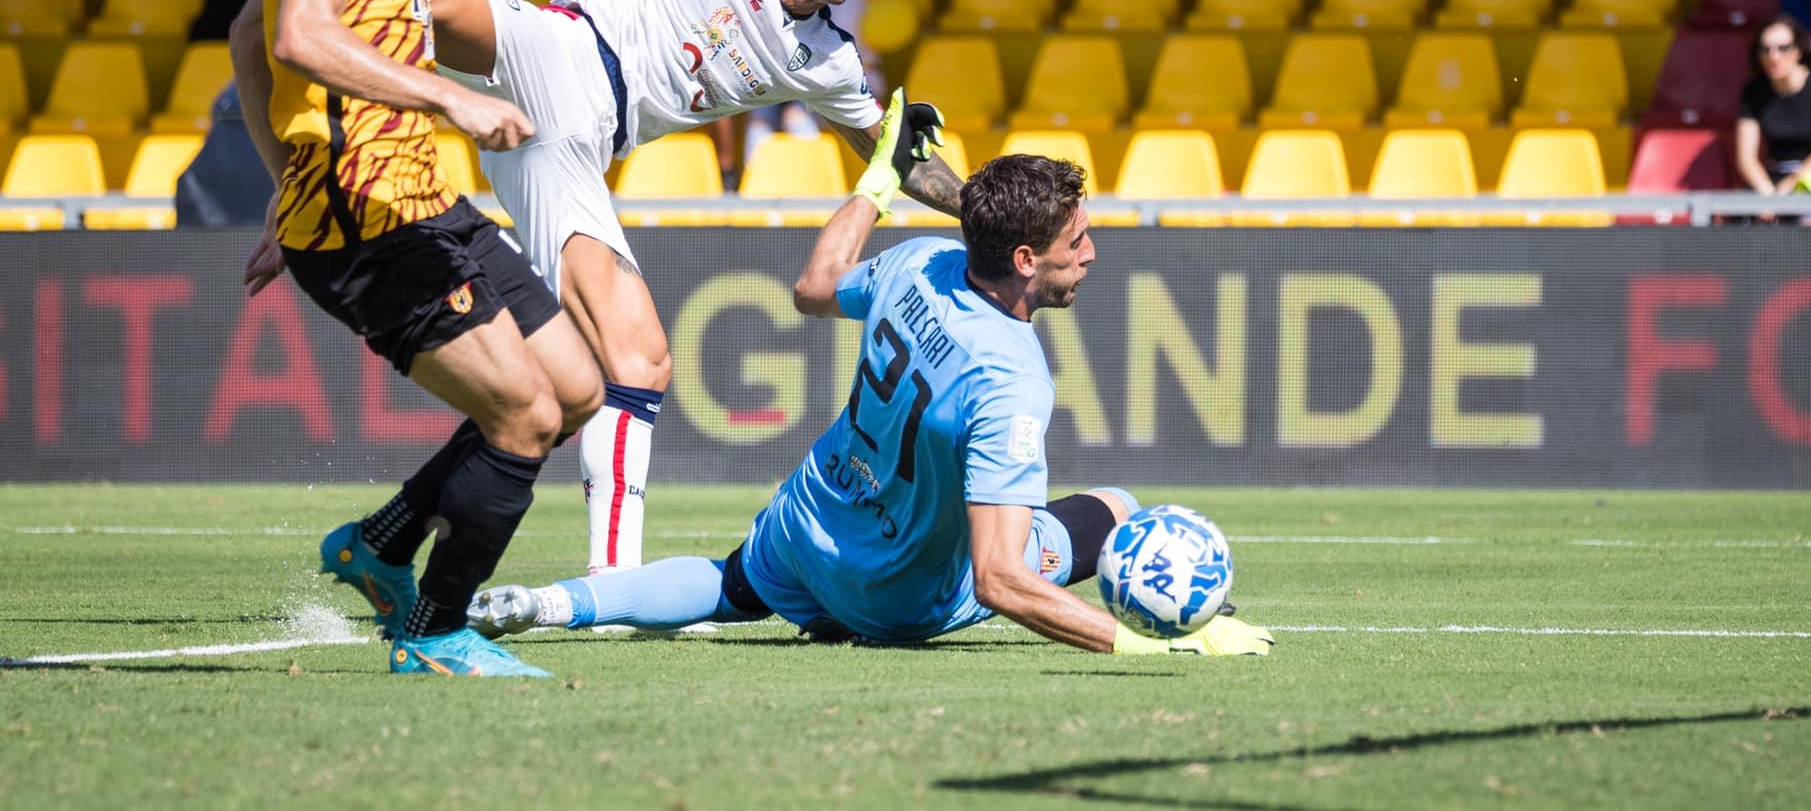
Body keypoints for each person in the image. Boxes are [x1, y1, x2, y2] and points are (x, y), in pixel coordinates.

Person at [128, 0, 967, 581]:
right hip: (558, 42)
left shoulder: (831, 62)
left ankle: (570, 577)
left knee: (628, 360)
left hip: (569, 139)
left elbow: (901, 159)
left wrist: (990, 209)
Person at [469, 151, 1274, 658]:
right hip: (896, 597)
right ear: (1026, 260)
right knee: (1116, 508)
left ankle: (550, 601)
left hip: (809, 522)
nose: (1093, 253)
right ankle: (1193, 619)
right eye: (1078, 243)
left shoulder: (921, 261)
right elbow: (997, 579)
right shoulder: (1013, 380)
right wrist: (1137, 644)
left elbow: (814, 289)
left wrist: (873, 186)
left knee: (732, 584)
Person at [220, 0, 603, 677]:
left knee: (572, 386)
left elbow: (248, 35)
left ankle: (380, 543)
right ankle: (433, 633)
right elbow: (298, 33)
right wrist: (451, 97)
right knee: (520, 413)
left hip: (408, 200)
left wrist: (280, 179)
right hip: (367, 217)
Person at [1735, 17, 1811, 197]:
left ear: (1798, 51)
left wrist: (1789, 186)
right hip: (1774, 179)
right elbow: (1746, 158)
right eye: (1765, 49)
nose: (1773, 56)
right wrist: (1766, 191)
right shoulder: (1752, 91)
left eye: (1783, 48)